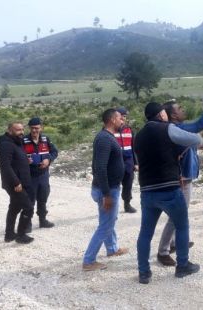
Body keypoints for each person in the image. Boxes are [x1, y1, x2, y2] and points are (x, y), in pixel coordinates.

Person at [135, 101, 203, 284]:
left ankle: (144, 272)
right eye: (163, 113)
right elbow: (196, 140)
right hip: (169, 189)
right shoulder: (168, 129)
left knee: (145, 233)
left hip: (147, 191)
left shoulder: (138, 136)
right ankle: (182, 266)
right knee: (182, 226)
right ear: (160, 115)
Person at [156, 90, 203, 266]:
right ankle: (163, 251)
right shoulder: (178, 129)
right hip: (182, 179)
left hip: (184, 178)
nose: (183, 110)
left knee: (177, 214)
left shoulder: (179, 129)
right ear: (173, 115)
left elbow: (197, 132)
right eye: (179, 108)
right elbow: (197, 126)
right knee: (177, 215)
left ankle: (175, 242)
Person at [83, 108, 129, 272]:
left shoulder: (107, 137)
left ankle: (112, 249)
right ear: (111, 120)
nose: (122, 121)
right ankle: (88, 261)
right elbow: (100, 168)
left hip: (109, 188)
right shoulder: (104, 139)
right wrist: (107, 194)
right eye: (120, 118)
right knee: (106, 225)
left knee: (108, 220)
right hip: (107, 190)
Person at [0, 122, 35, 244]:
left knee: (14, 207)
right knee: (28, 208)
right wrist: (16, 182)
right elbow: (5, 166)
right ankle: (21, 235)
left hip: (21, 181)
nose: (21, 132)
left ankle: (9, 234)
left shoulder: (16, 141)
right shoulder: (6, 144)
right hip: (15, 183)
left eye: (22, 129)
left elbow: (14, 160)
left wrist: (25, 160)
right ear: (9, 130)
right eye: (18, 130)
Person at [23, 117, 58, 231]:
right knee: (29, 200)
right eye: (32, 128)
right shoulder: (23, 140)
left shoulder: (45, 139)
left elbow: (54, 152)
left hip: (43, 175)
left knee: (43, 198)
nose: (34, 131)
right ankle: (27, 224)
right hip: (30, 176)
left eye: (37, 128)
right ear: (29, 128)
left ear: (41, 128)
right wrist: (24, 160)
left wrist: (48, 160)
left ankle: (42, 221)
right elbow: (16, 155)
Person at [114, 107, 138, 213]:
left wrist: (136, 163)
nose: (124, 119)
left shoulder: (129, 130)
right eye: (122, 117)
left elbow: (134, 148)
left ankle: (127, 204)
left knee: (128, 184)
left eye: (125, 117)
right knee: (114, 185)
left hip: (128, 162)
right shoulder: (109, 130)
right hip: (115, 162)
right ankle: (112, 207)